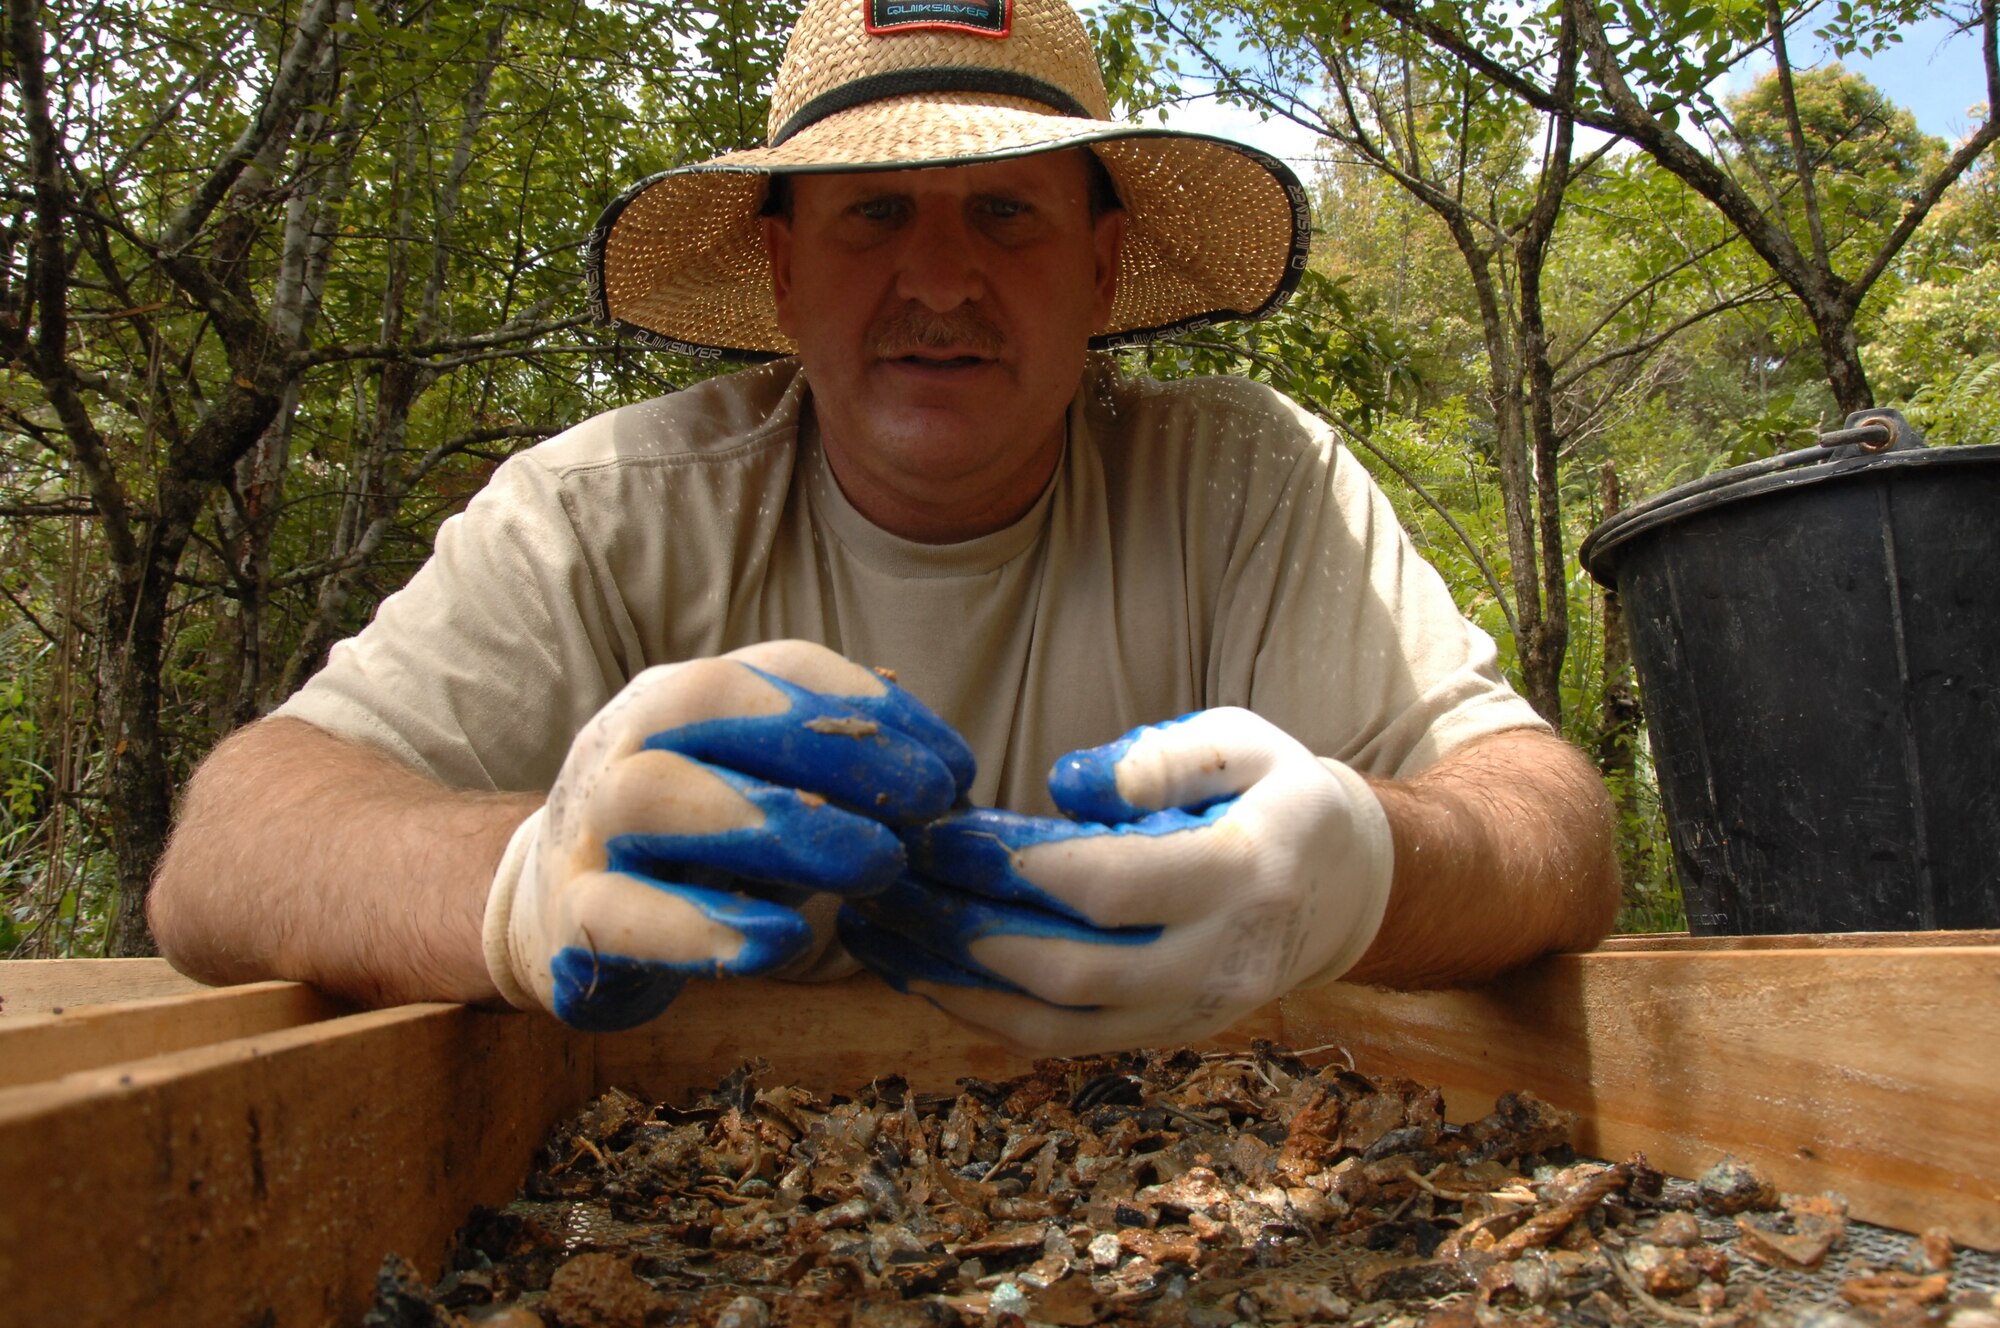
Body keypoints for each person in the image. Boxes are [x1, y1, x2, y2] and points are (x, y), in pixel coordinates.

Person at [149, 0, 1618, 1053]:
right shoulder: (603, 515)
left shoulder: (1246, 481)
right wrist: (521, 876)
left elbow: (1554, 827)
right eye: (871, 217)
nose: (938, 281)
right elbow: (226, 850)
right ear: (782, 273)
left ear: (1102, 268)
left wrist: (1368, 864)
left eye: (1005, 216)